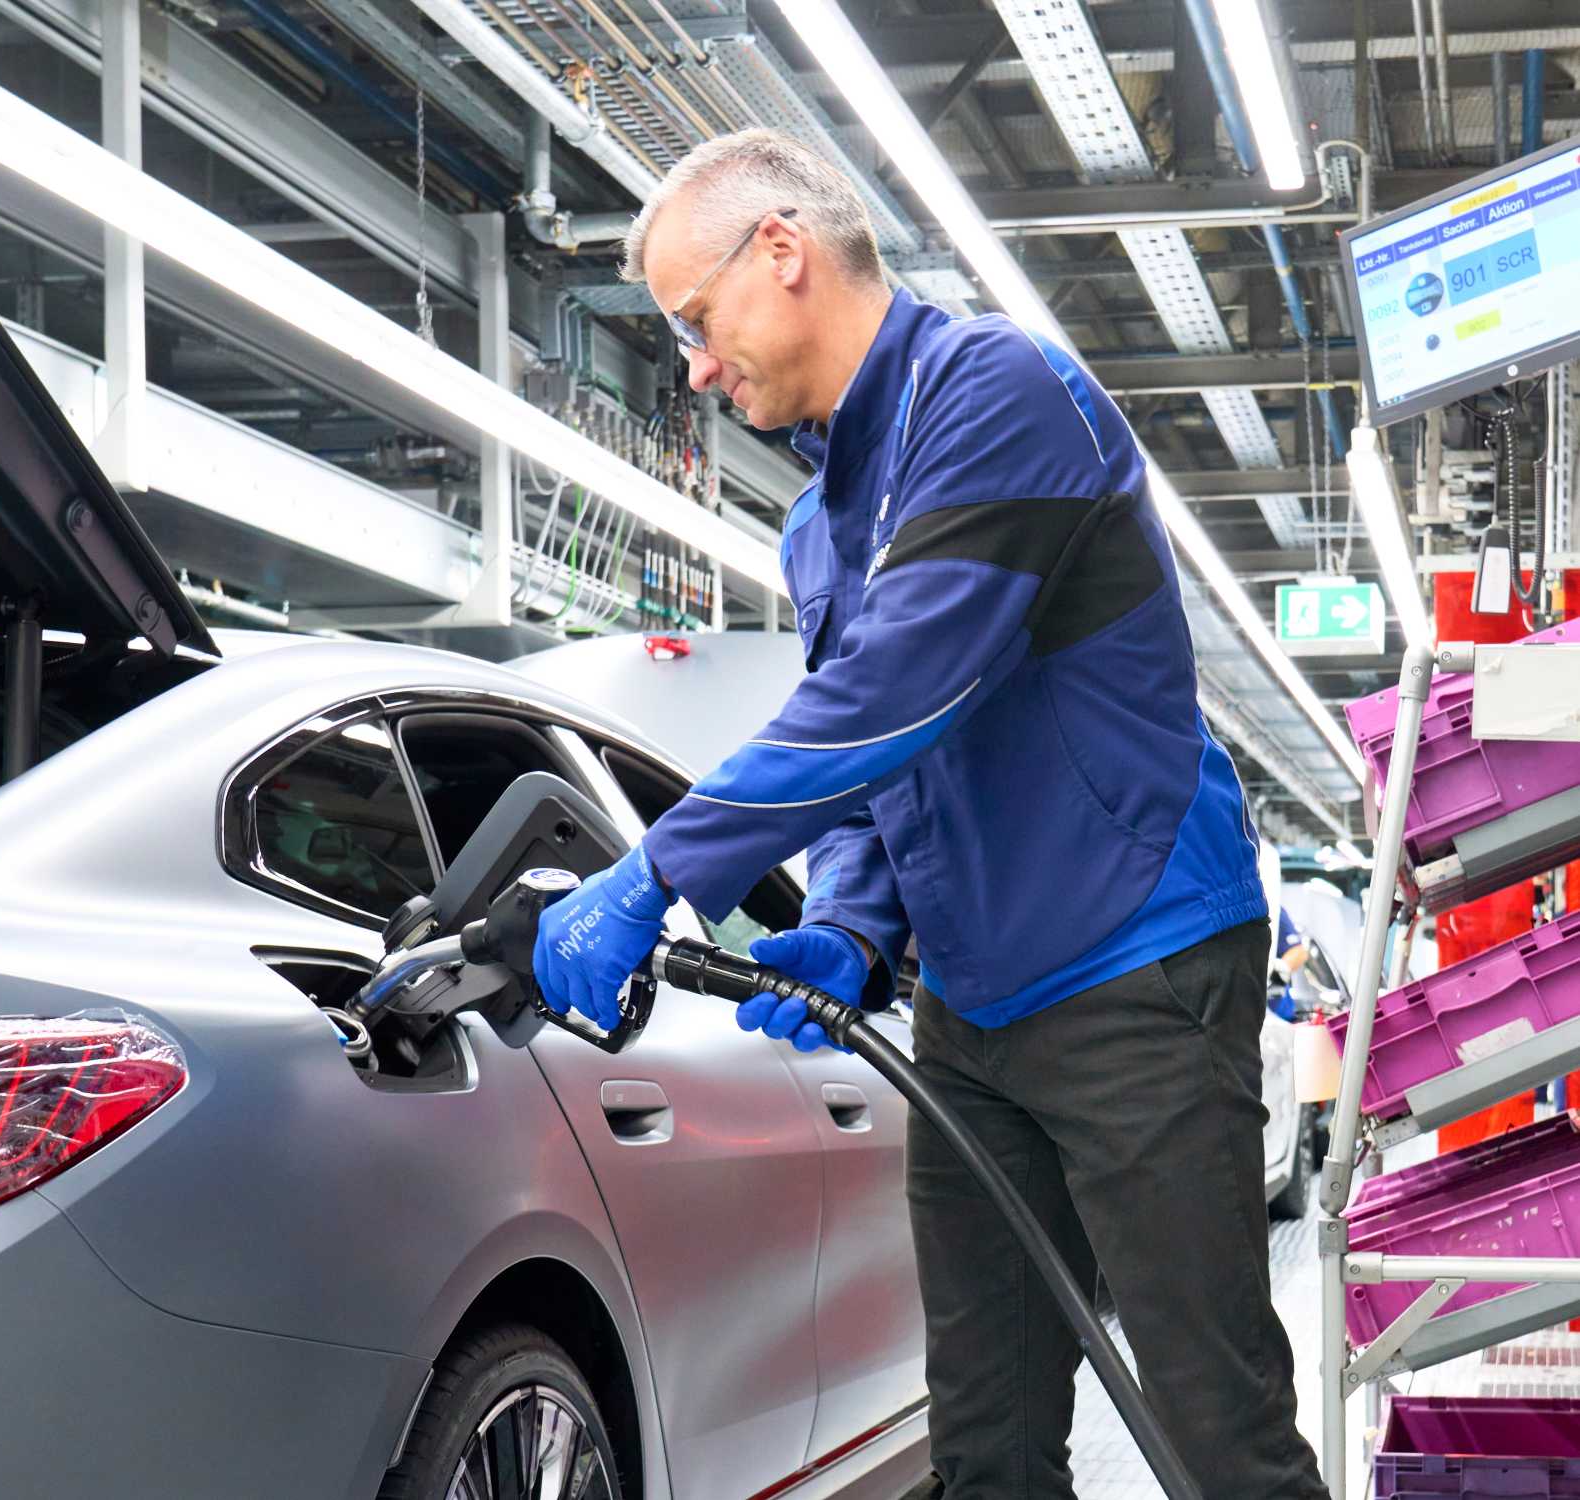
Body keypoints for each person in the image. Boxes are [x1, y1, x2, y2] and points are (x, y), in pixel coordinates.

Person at [527, 129, 1331, 1499]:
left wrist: (656, 872)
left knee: (1212, 1426)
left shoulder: (999, 394)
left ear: (777, 253)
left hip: (1132, 964)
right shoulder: (816, 524)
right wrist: (848, 925)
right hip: (970, 1007)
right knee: (984, 1435)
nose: (698, 368)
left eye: (696, 321)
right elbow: (878, 760)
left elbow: (895, 697)